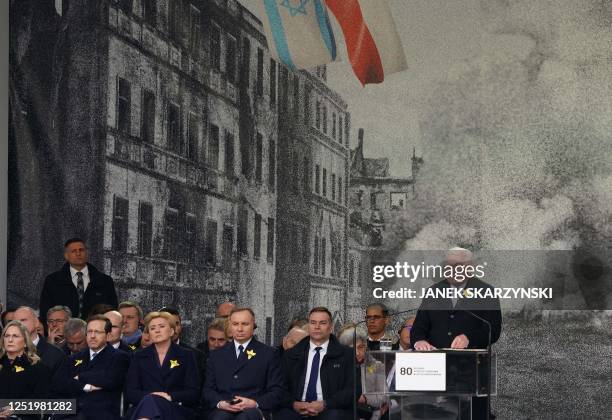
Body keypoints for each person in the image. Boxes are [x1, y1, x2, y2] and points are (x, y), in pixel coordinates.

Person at [410, 247, 502, 420]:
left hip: (471, 373)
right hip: (434, 372)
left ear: (470, 267)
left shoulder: (486, 292)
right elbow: (418, 328)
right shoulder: (433, 291)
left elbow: (493, 330)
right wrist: (419, 341)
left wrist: (469, 338)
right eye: (448, 265)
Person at [203, 307, 284, 419]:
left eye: (245, 324)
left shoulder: (269, 354)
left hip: (254, 410)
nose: (240, 329)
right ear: (230, 326)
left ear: (253, 325)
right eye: (235, 324)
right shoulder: (216, 355)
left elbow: (277, 391)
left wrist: (254, 403)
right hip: (223, 409)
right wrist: (220, 403)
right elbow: (208, 390)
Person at [278, 306, 355, 420]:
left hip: (330, 408)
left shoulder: (347, 355)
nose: (317, 327)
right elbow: (279, 387)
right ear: (308, 326)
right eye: (313, 322)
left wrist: (325, 404)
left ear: (331, 327)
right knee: (282, 415)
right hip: (297, 408)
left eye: (322, 323)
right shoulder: (291, 354)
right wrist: (293, 404)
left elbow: (352, 389)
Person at [125, 311, 200, 420]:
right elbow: (131, 393)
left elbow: (193, 392)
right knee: (149, 403)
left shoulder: (186, 355)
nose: (157, 330)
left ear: (171, 331)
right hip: (143, 406)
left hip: (175, 408)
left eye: (161, 326)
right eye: (152, 328)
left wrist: (169, 397)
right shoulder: (138, 356)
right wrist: (153, 396)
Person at [52, 315, 129, 420]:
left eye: (97, 332)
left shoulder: (120, 356)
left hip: (102, 413)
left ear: (108, 335)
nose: (92, 336)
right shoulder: (74, 358)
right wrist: (85, 387)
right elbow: (59, 383)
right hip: (71, 412)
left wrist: (80, 377)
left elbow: (109, 379)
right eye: (90, 332)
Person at [39, 238, 118, 323]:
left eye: (81, 250)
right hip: (64, 332)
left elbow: (112, 311)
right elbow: (45, 312)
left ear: (87, 253)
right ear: (66, 256)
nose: (78, 253)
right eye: (73, 251)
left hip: (95, 331)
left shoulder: (104, 281)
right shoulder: (53, 281)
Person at [0, 321, 51, 419]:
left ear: (25, 342)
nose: (10, 340)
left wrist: (17, 408)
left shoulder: (38, 369)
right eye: (7, 336)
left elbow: (42, 402)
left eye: (15, 336)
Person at [338, 325, 388, 420]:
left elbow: (384, 396)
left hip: (370, 413)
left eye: (360, 347)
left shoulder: (377, 365)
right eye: (352, 349)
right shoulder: (337, 366)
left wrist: (365, 398)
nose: (357, 353)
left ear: (365, 346)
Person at [13, 306, 66, 375]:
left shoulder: (56, 354)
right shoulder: (5, 353)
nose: (19, 324)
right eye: (15, 322)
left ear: (36, 323)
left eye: (23, 320)